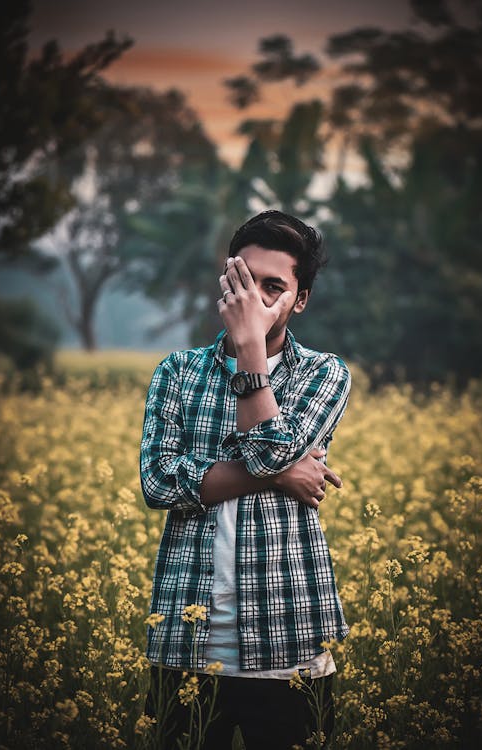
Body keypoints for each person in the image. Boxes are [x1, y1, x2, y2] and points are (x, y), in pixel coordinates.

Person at [140, 210, 351, 749]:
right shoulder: (176, 371)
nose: (253, 299)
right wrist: (287, 474)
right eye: (244, 280)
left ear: (300, 299)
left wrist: (250, 349)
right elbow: (160, 484)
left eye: (274, 287)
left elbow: (265, 453)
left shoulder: (324, 373)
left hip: (290, 644)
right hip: (185, 647)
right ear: (225, 280)